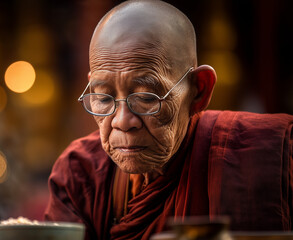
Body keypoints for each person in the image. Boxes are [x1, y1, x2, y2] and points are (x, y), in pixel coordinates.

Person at [44, 0, 293, 239]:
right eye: (104, 98)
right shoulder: (81, 175)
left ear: (198, 90)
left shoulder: (273, 153)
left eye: (146, 98)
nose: (122, 122)